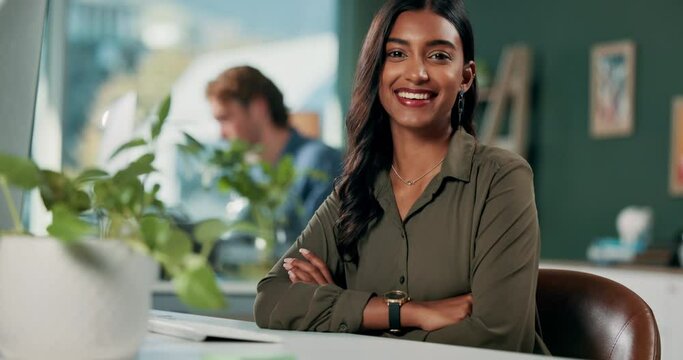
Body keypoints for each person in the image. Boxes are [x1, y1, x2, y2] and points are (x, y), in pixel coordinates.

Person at [253, 0, 549, 354]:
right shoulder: (355, 189)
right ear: (377, 70)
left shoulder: (502, 179)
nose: (417, 73)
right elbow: (271, 300)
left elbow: (497, 339)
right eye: (396, 54)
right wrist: (407, 313)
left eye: (438, 56)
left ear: (466, 77)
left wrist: (346, 318)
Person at [205, 66, 342, 250]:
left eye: (226, 118)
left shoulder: (319, 162)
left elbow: (320, 252)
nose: (221, 135)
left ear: (258, 108)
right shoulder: (253, 175)